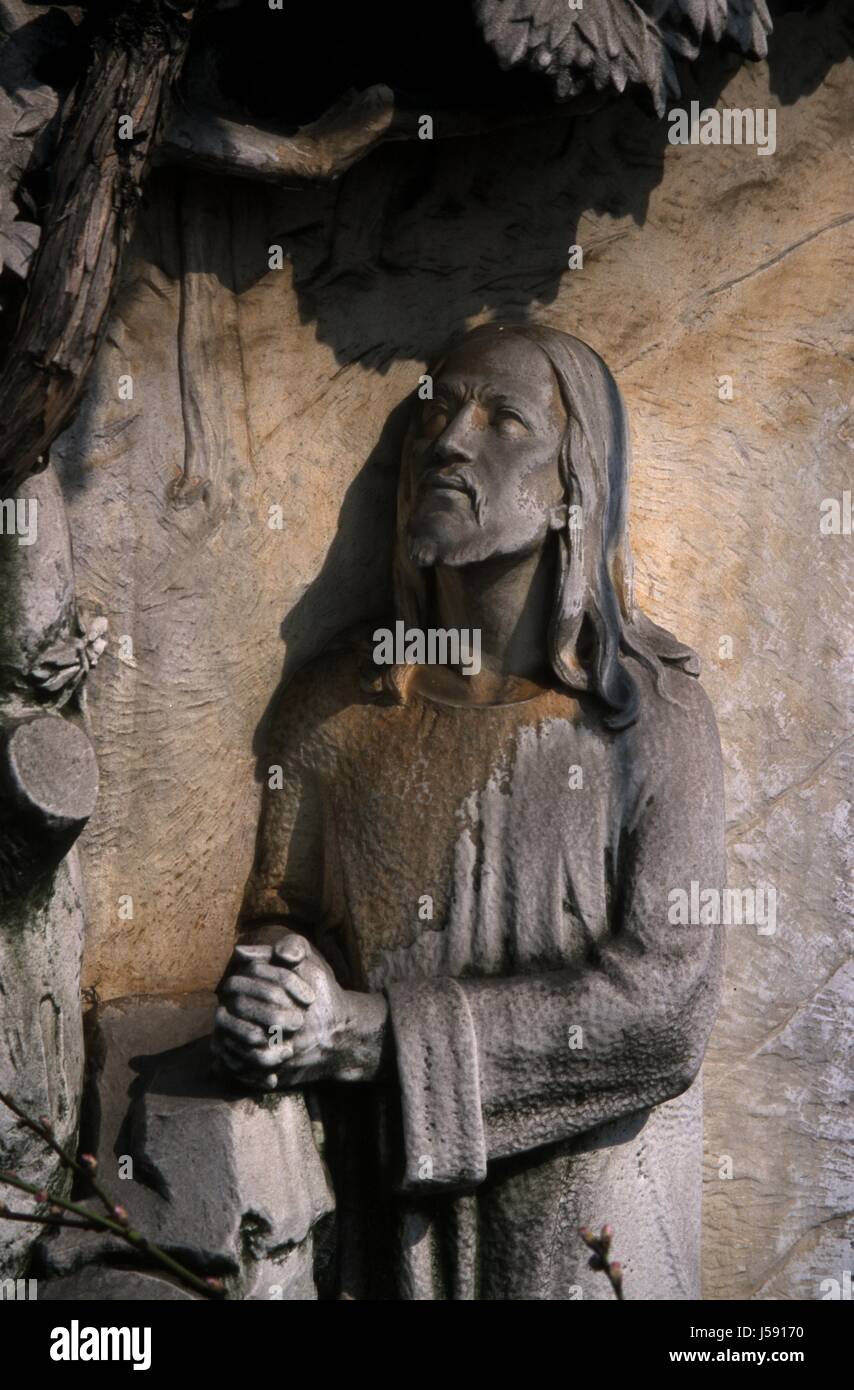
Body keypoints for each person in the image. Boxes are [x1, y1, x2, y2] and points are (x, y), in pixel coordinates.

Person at [213, 323, 726, 1300]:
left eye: (502, 420)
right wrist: (278, 994)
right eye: (435, 412)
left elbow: (665, 1012)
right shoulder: (332, 709)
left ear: (573, 485)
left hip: (588, 1243)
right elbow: (284, 915)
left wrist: (367, 1034)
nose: (448, 439)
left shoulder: (646, 716)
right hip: (388, 1233)